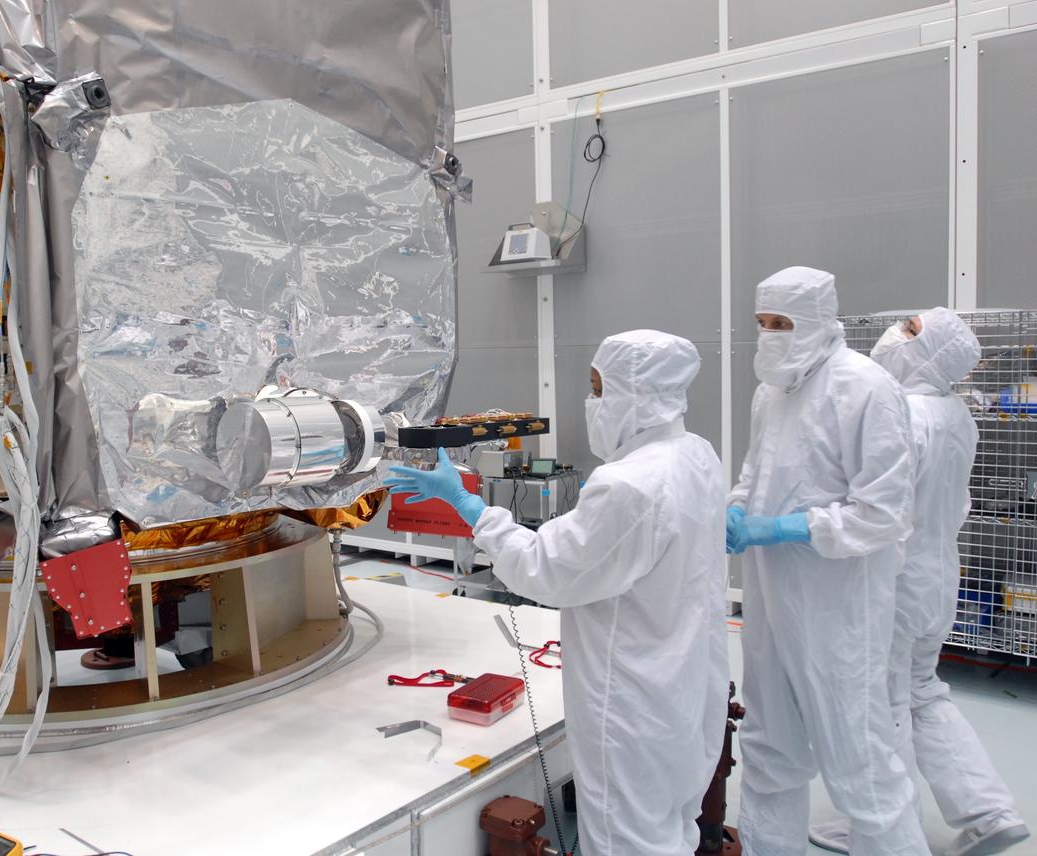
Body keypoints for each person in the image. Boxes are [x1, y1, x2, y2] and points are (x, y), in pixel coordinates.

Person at [385, 330, 729, 855]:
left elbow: (544, 571)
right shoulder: (695, 453)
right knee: (672, 825)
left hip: (633, 703)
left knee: (627, 841)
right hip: (684, 686)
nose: (590, 403)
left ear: (637, 393)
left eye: (598, 388)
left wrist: (472, 508)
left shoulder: (629, 484)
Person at [809, 309, 1029, 856]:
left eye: (909, 332)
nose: (894, 337)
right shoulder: (958, 416)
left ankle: (884, 830)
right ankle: (990, 810)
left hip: (897, 580)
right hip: (940, 576)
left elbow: (878, 511)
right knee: (924, 693)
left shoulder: (900, 413)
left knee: (882, 704)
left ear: (932, 353)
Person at [727, 266, 928, 856]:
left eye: (782, 324)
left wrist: (792, 527)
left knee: (859, 761)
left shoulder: (864, 388)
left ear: (817, 322)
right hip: (770, 599)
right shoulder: (773, 391)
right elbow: (752, 474)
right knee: (769, 752)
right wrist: (739, 510)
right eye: (762, 324)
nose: (769, 336)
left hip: (839, 606)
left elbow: (885, 511)